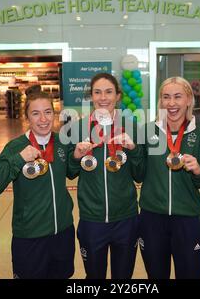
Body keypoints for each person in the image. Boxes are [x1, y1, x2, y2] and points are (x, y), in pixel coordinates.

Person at [0, 86, 75, 279]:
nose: (43, 119)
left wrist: (77, 156)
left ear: (54, 113)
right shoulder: (15, 147)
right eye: (36, 113)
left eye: (48, 112)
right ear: (27, 117)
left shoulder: (63, 142)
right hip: (30, 236)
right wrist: (18, 159)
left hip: (63, 232)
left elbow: (72, 172)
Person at [66, 73, 143, 279]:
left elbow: (140, 174)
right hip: (92, 219)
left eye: (109, 92)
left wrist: (134, 149)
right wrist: (75, 156)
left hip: (126, 218)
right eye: (97, 92)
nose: (103, 98)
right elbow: (70, 173)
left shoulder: (133, 127)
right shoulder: (76, 128)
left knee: (123, 277)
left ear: (118, 95)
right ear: (91, 96)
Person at [138, 76, 200, 279]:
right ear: (160, 101)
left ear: (189, 99)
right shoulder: (147, 131)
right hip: (152, 217)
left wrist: (198, 170)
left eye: (178, 97)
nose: (171, 103)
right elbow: (138, 174)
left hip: (188, 218)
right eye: (166, 97)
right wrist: (133, 151)